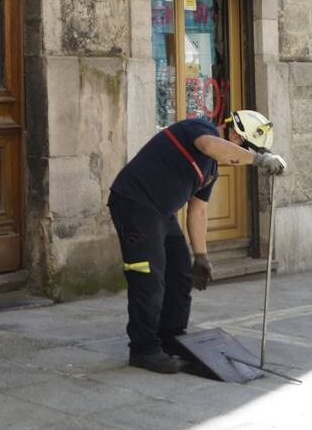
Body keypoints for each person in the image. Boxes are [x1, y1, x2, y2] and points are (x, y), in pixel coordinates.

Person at [108, 110, 287, 373]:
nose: (239, 162)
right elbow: (212, 146)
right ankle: (143, 349)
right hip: (135, 204)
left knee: (180, 274)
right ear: (235, 136)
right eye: (245, 151)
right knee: (148, 277)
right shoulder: (200, 129)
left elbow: (198, 211)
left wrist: (201, 257)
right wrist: (259, 159)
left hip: (162, 213)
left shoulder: (210, 170)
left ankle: (171, 336)